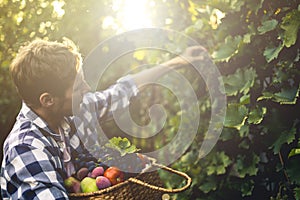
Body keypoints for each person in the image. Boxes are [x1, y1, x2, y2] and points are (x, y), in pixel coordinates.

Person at [0, 38, 205, 199]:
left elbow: (122, 91)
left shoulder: (73, 110)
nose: (88, 89)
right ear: (48, 100)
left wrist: (179, 61)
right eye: (79, 87)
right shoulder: (26, 148)